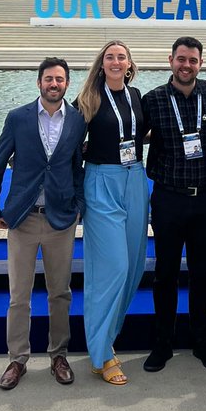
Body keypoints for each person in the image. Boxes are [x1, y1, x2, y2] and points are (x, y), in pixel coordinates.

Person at [0, 57, 86, 391]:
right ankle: (17, 359)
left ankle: (58, 355)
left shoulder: (78, 121)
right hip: (23, 218)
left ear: (67, 83)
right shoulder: (17, 118)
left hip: (60, 220)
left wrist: (79, 206)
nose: (53, 84)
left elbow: (77, 168)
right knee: (19, 296)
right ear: (39, 82)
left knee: (60, 293)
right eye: (48, 79)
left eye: (59, 79)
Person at [141, 36, 206, 372]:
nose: (186, 65)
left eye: (192, 60)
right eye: (181, 59)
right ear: (170, 60)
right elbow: (129, 133)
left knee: (203, 273)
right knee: (164, 274)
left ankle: (201, 341)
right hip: (167, 198)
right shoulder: (154, 100)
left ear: (201, 63)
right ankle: (163, 343)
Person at [75, 40, 148, 386]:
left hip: (135, 180)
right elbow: (68, 145)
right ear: (101, 64)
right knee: (113, 268)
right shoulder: (88, 99)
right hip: (102, 182)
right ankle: (102, 352)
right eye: (110, 57)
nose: (116, 61)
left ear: (130, 64)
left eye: (121, 56)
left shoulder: (136, 97)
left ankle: (103, 343)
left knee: (133, 267)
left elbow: (140, 135)